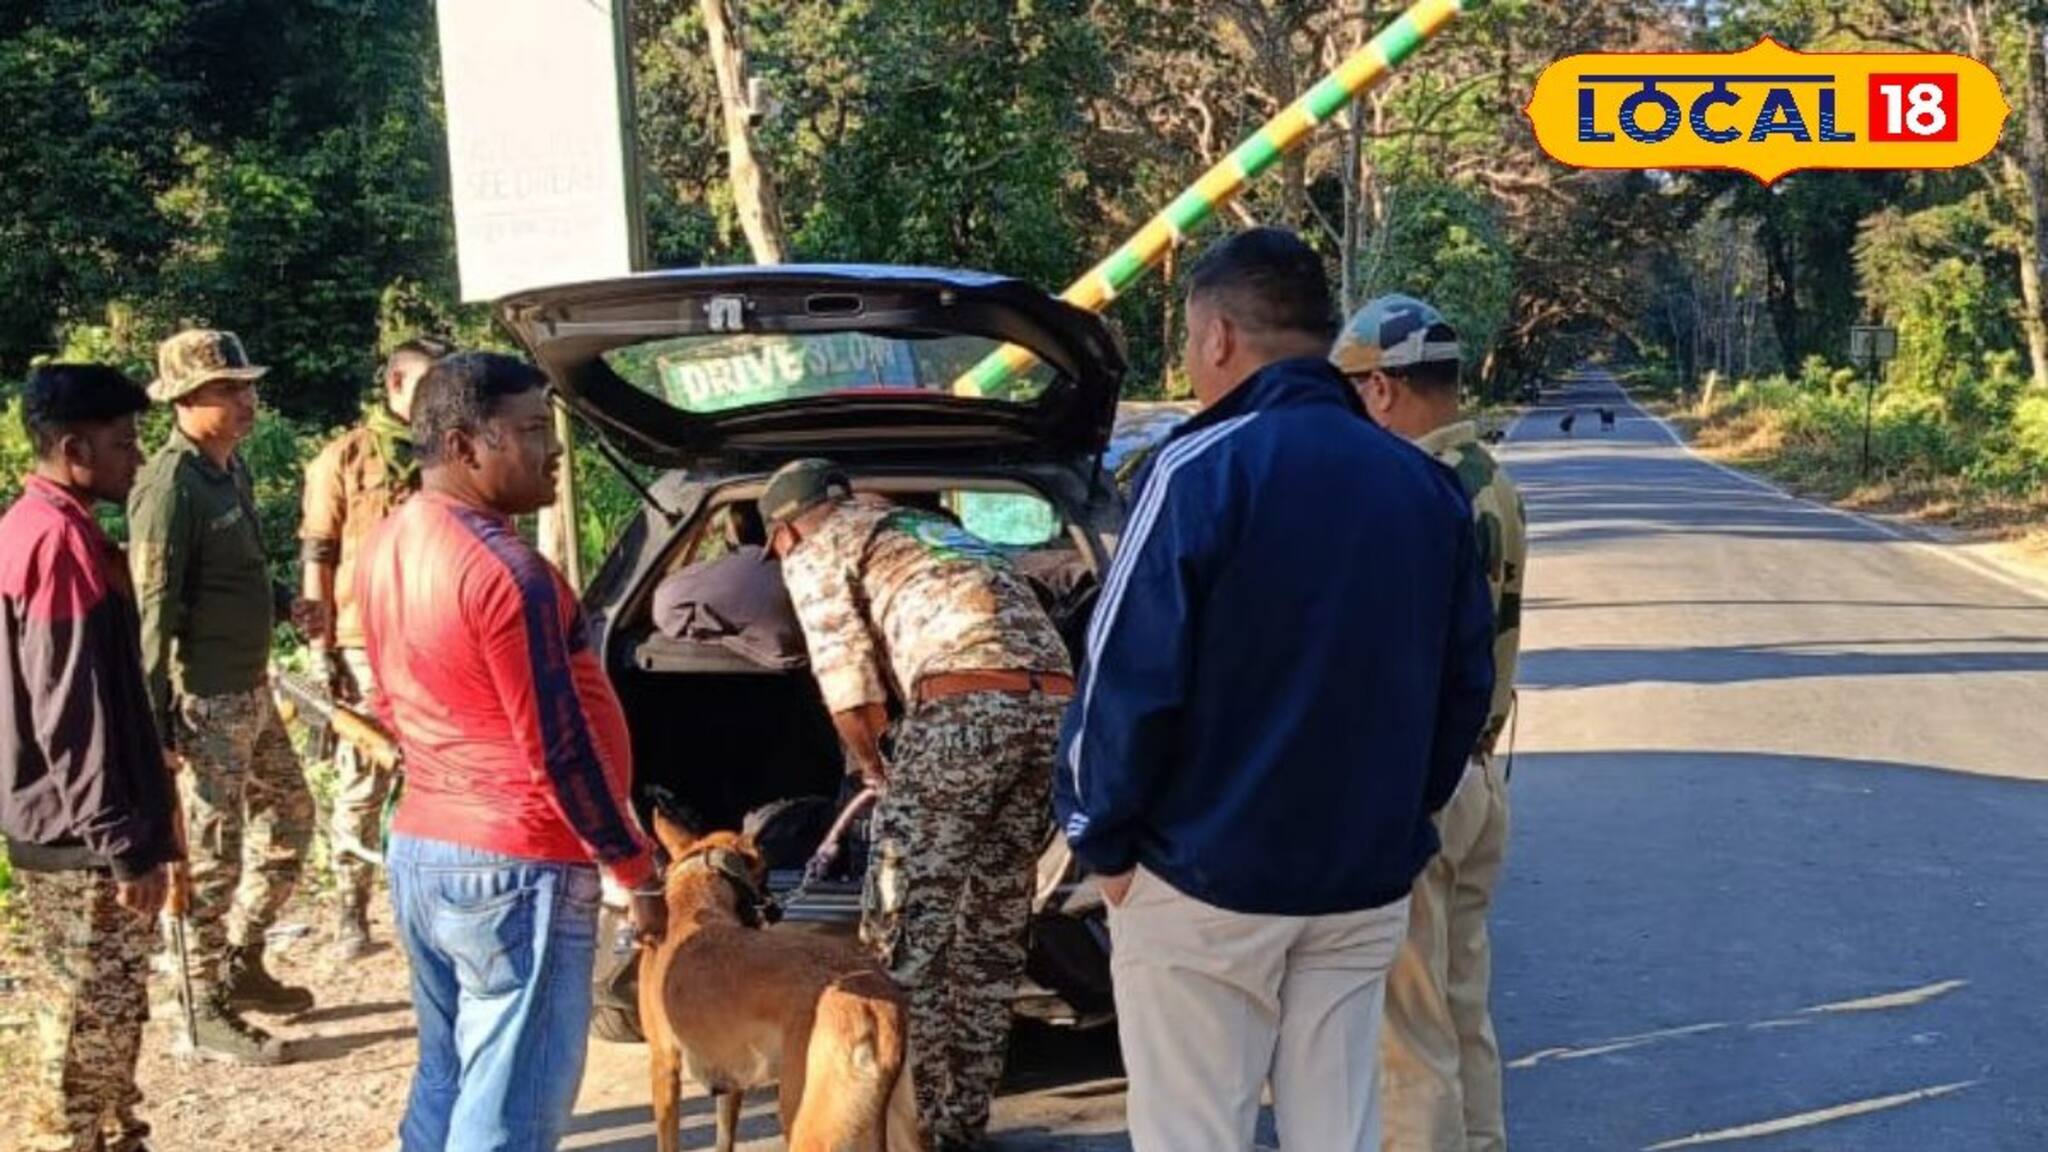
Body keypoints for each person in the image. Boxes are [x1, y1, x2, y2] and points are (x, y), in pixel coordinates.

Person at [1052, 228, 1495, 1152]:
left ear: (1217, 337)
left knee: (1194, 1132)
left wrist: (1102, 839)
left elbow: (1125, 679)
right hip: (1359, 882)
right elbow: (1463, 689)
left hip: (1204, 877)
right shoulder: (1423, 487)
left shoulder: (1195, 468)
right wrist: (1393, 824)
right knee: (1338, 1129)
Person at [356, 352, 664, 1152]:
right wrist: (633, 868)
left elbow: (389, 699)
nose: (553, 452)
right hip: (517, 863)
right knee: (510, 1117)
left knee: (448, 1076)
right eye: (531, 432)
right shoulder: (507, 572)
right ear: (464, 446)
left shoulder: (388, 544)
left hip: (426, 847)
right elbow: (558, 749)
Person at [761, 460, 1072, 1152]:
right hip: (1053, 707)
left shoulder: (820, 548)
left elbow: (849, 686)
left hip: (963, 708)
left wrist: (877, 768)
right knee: (990, 934)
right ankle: (959, 1125)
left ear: (786, 530)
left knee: (905, 939)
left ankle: (901, 1132)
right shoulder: (933, 530)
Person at [1335, 295, 1529, 1152]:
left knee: (1406, 1038)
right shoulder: (1490, 477)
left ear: (1381, 390)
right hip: (1480, 777)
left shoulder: (1419, 491)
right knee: (1459, 1008)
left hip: (1422, 777)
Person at [2, 365, 185, 1152]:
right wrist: (123, 842)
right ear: (73, 448)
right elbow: (70, 713)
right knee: (81, 1040)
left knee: (109, 1024)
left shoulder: (48, 527)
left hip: (79, 829)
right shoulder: (54, 540)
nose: (138, 458)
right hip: (79, 839)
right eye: (123, 442)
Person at [129, 328, 314, 1064]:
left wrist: (283, 604)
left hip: (252, 689)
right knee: (209, 858)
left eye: (246, 386)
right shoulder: (169, 486)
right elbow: (154, 612)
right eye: (227, 391)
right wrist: (155, 730)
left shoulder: (225, 470)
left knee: (293, 821)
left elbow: (230, 577)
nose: (246, 401)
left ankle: (240, 960)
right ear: (184, 401)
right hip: (203, 701)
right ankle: (198, 1004)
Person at [298, 336, 451, 958]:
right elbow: (318, 552)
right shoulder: (343, 459)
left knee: (440, 770)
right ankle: (349, 910)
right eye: (427, 386)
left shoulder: (446, 453)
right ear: (395, 386)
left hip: (434, 634)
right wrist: (320, 648)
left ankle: (429, 901)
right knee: (364, 774)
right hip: (364, 638)